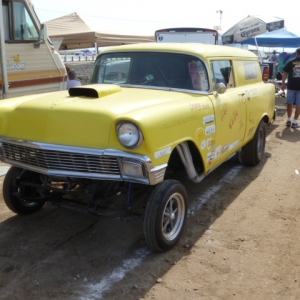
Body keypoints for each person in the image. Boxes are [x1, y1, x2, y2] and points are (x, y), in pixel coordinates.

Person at [281, 48, 300, 128]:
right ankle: (295, 122)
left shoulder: (291, 61)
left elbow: (285, 73)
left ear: (296, 53)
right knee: (299, 105)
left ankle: (289, 120)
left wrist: (283, 84)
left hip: (291, 86)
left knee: (290, 103)